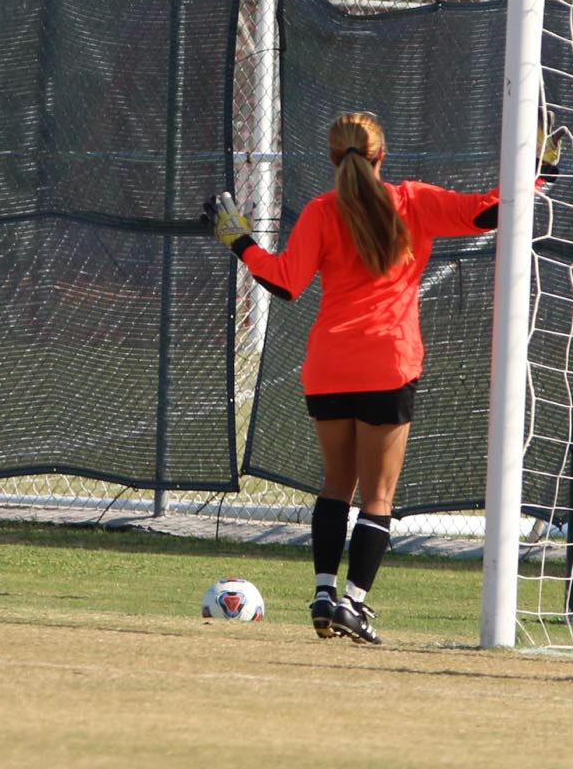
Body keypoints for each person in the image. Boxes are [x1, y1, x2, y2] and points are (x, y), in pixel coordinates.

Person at [207, 112, 552, 645]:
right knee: (377, 497)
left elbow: (284, 283)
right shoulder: (411, 201)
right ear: (380, 156)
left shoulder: (322, 211)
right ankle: (353, 605)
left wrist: (239, 241)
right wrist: (538, 171)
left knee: (335, 485)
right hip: (387, 363)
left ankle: (323, 594)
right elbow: (492, 212)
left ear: (332, 159)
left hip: (328, 366)